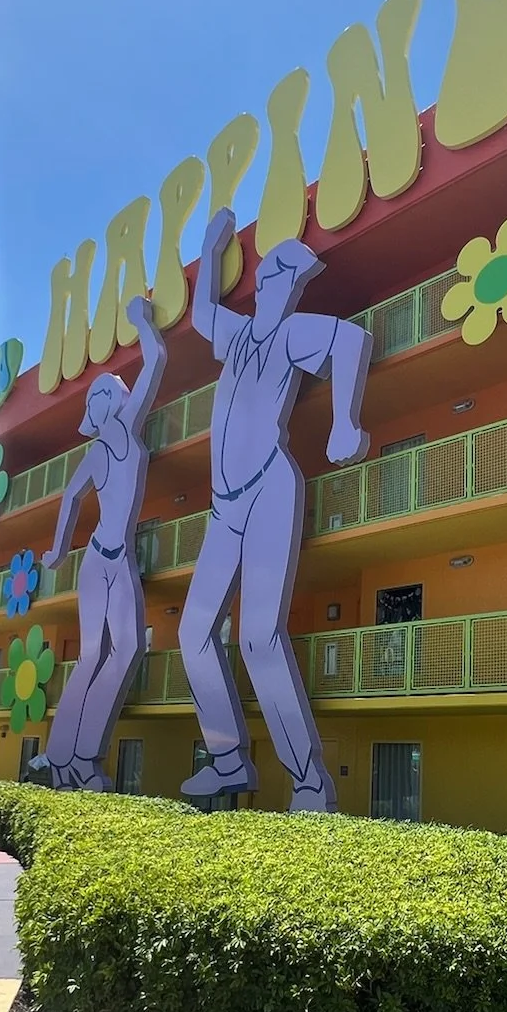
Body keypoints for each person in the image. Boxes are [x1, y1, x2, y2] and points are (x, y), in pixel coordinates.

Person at [179, 208, 372, 811]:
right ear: (263, 282)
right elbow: (202, 313)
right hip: (223, 507)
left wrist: (345, 421)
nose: (277, 287)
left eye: (290, 281)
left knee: (259, 637)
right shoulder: (236, 334)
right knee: (192, 634)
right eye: (272, 278)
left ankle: (310, 783)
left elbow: (351, 339)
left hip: (270, 491)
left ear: (295, 290)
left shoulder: (291, 336)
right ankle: (229, 760)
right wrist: (210, 254)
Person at [34, 293, 168, 790]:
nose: (115, 396)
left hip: (121, 559)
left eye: (112, 391)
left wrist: (142, 323)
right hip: (96, 560)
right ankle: (64, 757)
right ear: (99, 407)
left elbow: (156, 360)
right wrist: (58, 550)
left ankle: (80, 755)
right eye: (107, 393)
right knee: (93, 655)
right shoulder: (92, 455)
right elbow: (69, 501)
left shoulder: (130, 429)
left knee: (126, 648)